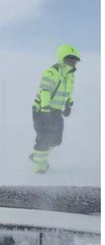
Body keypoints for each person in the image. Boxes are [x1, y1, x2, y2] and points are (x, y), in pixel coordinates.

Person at [30, 43, 80, 173]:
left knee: (56, 139)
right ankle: (39, 169)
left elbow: (69, 91)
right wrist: (45, 107)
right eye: (69, 59)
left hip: (55, 111)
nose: (72, 62)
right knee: (45, 137)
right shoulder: (52, 72)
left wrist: (69, 104)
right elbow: (45, 90)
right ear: (61, 58)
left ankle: (36, 156)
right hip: (41, 110)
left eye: (74, 59)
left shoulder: (70, 75)